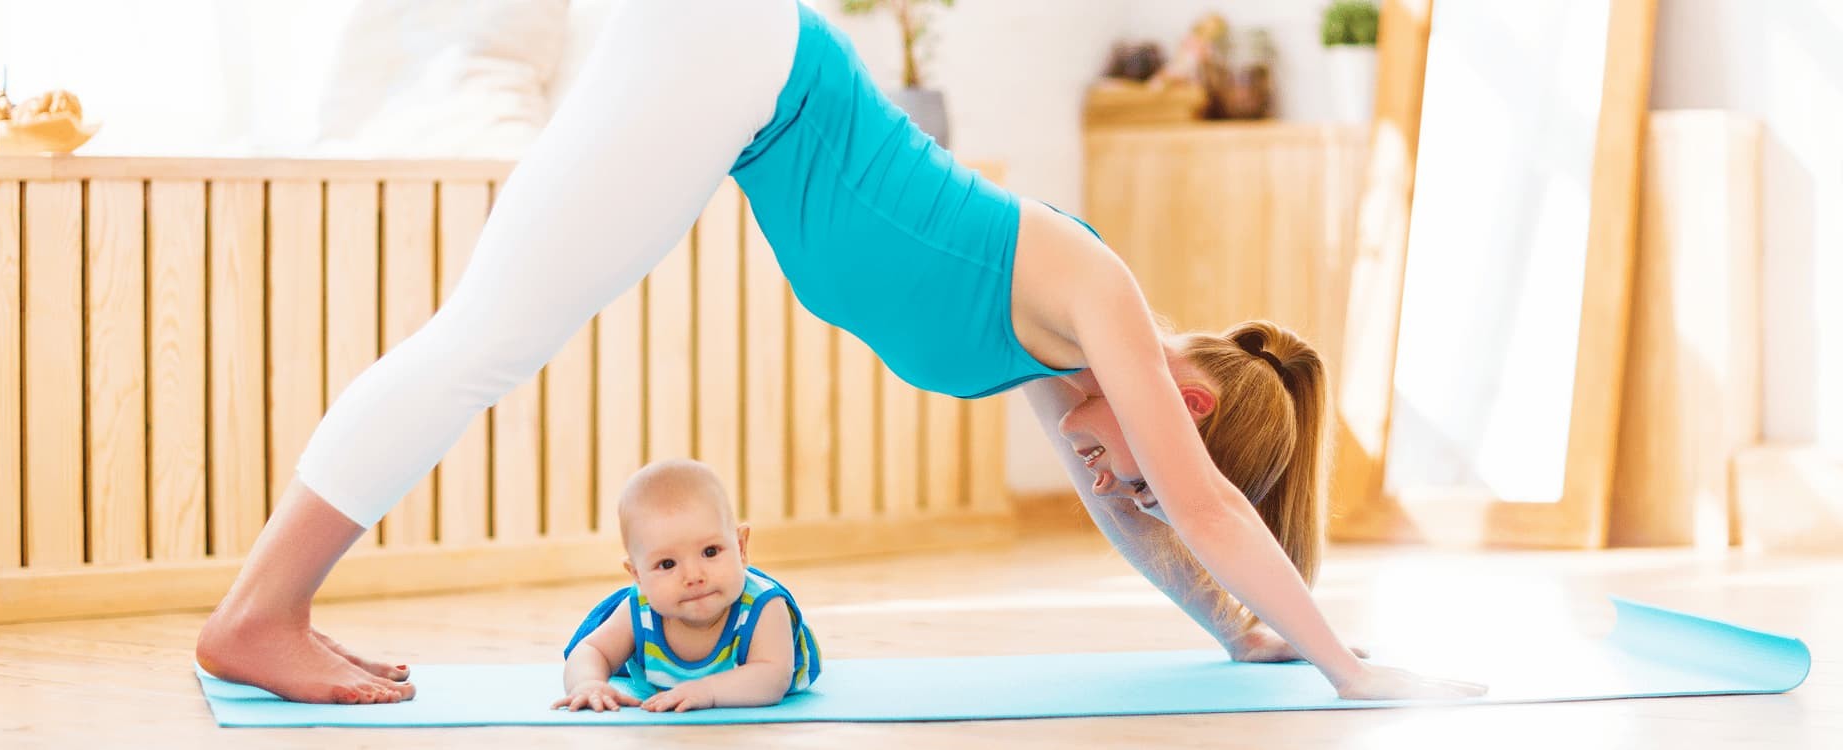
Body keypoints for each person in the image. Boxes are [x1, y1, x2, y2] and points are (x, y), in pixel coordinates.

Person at [195, 0, 1486, 705]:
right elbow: (1194, 500)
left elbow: (1155, 523)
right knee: (488, 336)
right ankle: (259, 613)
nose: (1119, 473)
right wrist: (1351, 666)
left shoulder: (1054, 362)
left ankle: (267, 608)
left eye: (1127, 474)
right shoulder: (1099, 295)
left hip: (742, 89)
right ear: (1188, 396)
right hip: (750, 58)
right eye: (1142, 459)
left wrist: (1242, 630)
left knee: (491, 333)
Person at [553, 459, 820, 713]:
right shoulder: (640, 608)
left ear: (740, 547)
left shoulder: (763, 607)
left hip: (777, 658)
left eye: (711, 551)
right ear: (638, 576)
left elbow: (772, 678)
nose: (693, 576)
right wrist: (587, 683)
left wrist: (707, 691)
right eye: (668, 564)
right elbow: (591, 650)